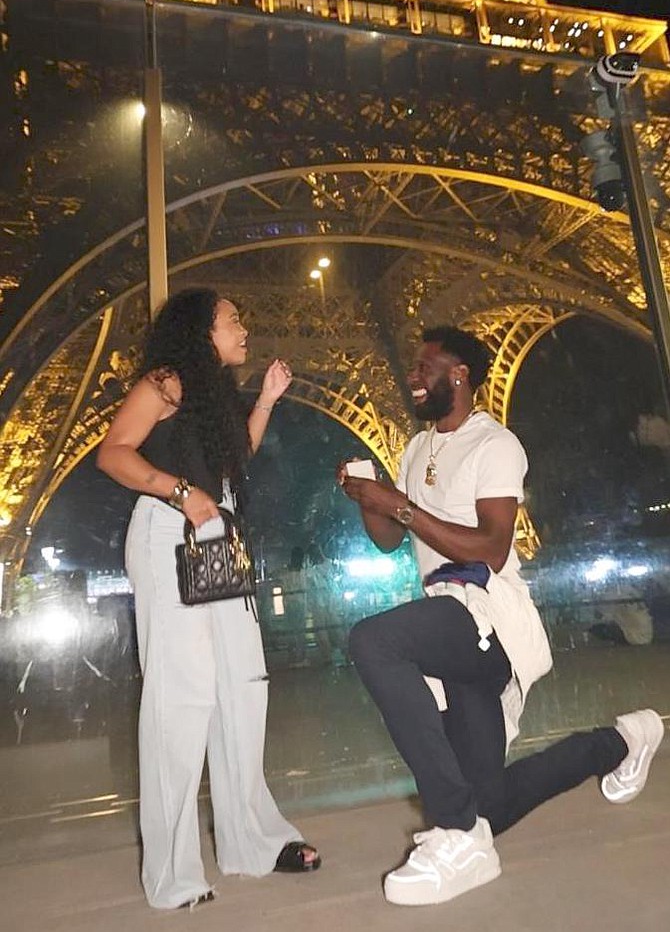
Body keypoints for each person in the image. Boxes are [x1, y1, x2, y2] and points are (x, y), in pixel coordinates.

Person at [341, 325, 664, 908]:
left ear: (460, 374)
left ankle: (454, 829)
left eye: (425, 367)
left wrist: (402, 506)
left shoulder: (496, 445)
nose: (413, 377)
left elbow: (491, 549)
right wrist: (369, 497)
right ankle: (621, 740)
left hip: (485, 610)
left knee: (375, 642)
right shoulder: (416, 449)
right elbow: (389, 539)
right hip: (449, 628)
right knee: (489, 804)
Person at [97, 288, 321, 910]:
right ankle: (171, 873)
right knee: (181, 696)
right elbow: (113, 453)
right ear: (201, 331)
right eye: (232, 320)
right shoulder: (163, 384)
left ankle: (252, 842)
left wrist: (266, 401)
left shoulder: (214, 393)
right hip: (169, 534)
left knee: (242, 687)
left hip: (215, 533)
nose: (243, 328)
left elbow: (234, 459)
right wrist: (180, 492)